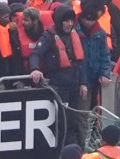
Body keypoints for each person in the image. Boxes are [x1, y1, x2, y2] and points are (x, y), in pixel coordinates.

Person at [29, 5, 86, 146]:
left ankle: (73, 148)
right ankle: (63, 148)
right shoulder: (47, 37)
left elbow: (80, 62)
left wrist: (83, 83)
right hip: (58, 85)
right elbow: (36, 54)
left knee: (73, 119)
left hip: (74, 84)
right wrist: (35, 69)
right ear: (59, 21)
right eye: (66, 21)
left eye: (71, 21)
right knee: (62, 119)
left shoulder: (74, 35)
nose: (69, 24)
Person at [75, 1, 111, 148]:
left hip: (95, 80)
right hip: (80, 81)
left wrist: (105, 74)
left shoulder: (100, 34)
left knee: (93, 112)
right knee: (82, 115)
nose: (89, 22)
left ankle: (91, 140)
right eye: (87, 19)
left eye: (92, 19)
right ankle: (84, 144)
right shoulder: (74, 32)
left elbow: (105, 55)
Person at [10, 7, 45, 75]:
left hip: (42, 74)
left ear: (35, 21)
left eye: (26, 20)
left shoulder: (46, 35)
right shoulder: (16, 34)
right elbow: (15, 60)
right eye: (23, 19)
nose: (23, 22)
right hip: (23, 74)